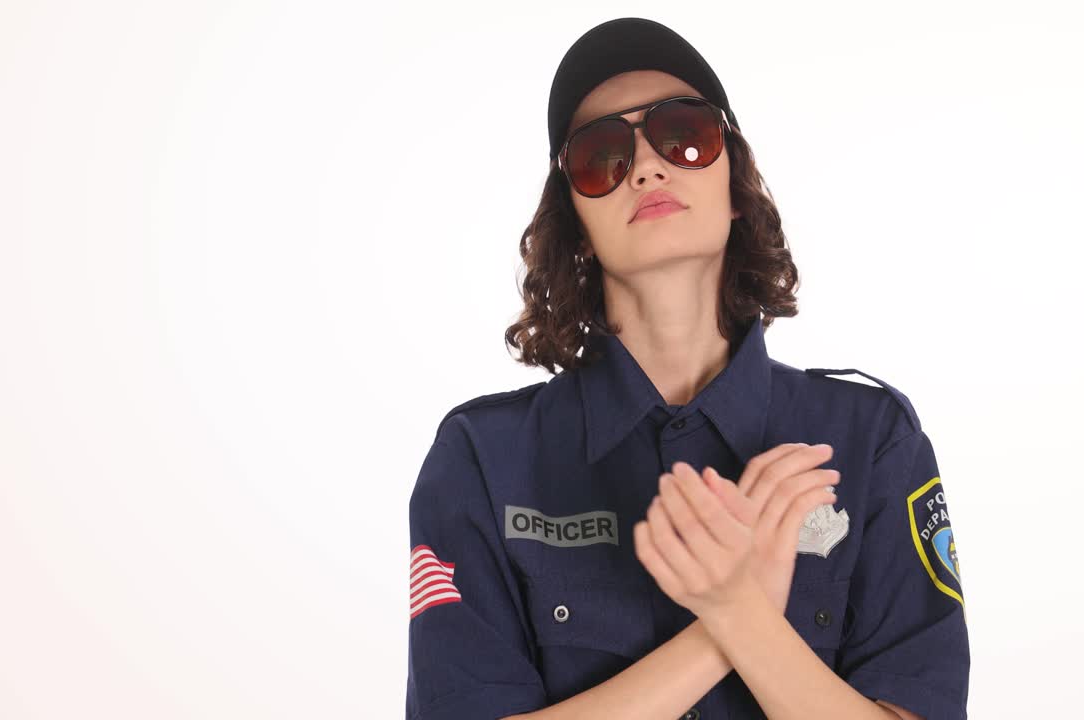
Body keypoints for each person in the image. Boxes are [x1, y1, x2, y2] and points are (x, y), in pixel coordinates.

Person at [406, 17, 969, 720]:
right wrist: (728, 624)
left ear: (736, 188)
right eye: (601, 154)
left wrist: (739, 610)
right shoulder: (483, 461)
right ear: (576, 224)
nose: (646, 167)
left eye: (684, 137)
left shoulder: (871, 439)